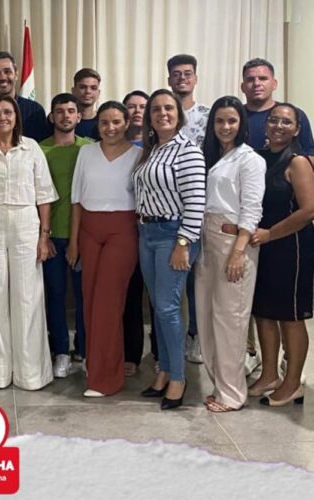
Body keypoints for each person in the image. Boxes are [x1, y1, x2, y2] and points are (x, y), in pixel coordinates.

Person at [0, 95, 58, 390]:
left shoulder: (32, 149)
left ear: (16, 117)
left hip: (26, 225)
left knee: (28, 297)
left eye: (8, 112)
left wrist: (44, 237)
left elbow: (44, 195)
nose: (2, 117)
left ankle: (31, 374)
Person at [134, 89, 206, 410]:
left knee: (168, 308)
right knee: (158, 307)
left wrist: (183, 242)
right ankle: (163, 370)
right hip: (147, 232)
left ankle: (178, 378)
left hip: (173, 234)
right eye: (156, 109)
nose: (162, 114)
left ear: (178, 113)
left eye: (168, 108)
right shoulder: (152, 150)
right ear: (149, 117)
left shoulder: (187, 150)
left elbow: (196, 202)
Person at [195, 96, 266, 412]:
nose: (225, 127)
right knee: (207, 316)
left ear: (242, 124)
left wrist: (238, 251)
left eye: (232, 121)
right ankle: (220, 384)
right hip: (206, 239)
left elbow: (252, 209)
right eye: (220, 121)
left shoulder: (250, 160)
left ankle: (232, 394)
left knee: (230, 320)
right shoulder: (211, 156)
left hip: (232, 241)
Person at [67, 101, 141, 397]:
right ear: (96, 125)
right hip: (88, 230)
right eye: (104, 122)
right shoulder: (86, 152)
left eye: (116, 122)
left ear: (127, 123)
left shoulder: (139, 155)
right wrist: (74, 242)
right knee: (89, 300)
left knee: (108, 304)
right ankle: (95, 361)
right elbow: (76, 200)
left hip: (122, 231)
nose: (110, 128)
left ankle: (105, 379)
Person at [248, 103, 314, 407]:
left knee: (290, 316)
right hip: (263, 245)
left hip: (292, 246)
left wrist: (271, 234)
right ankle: (269, 374)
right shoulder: (259, 158)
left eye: (286, 122)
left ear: (297, 129)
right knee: (263, 311)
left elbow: (309, 210)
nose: (278, 126)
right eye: (273, 120)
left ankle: (292, 383)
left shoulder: (298, 162)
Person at [39, 93, 92, 377]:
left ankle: (84, 350)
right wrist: (43, 235)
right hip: (51, 238)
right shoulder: (39, 150)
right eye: (60, 111)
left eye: (71, 111)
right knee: (55, 295)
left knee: (85, 297)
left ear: (79, 116)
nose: (66, 116)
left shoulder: (90, 149)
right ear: (52, 116)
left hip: (84, 237)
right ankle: (61, 351)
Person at [167, 54, 209, 365]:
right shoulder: (161, 113)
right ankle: (172, 340)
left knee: (197, 277)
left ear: (195, 78)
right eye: (177, 74)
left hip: (199, 205)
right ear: (169, 79)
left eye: (188, 73)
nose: (182, 78)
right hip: (167, 210)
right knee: (171, 282)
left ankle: (196, 334)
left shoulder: (208, 116)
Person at [122, 90, 154, 374]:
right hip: (126, 231)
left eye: (142, 106)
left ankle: (160, 354)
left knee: (158, 298)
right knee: (130, 295)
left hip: (156, 229)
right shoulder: (114, 143)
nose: (136, 111)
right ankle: (131, 354)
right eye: (130, 106)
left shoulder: (157, 145)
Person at [241, 58, 314, 155]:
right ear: (242, 87)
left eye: (263, 78)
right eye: (250, 79)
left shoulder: (293, 115)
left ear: (274, 84)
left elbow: (310, 154)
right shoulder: (233, 119)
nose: (256, 84)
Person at [70, 68, 101, 140]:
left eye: (93, 88)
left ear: (98, 93)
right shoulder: (63, 121)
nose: (88, 91)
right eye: (82, 87)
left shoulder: (103, 122)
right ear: (73, 91)